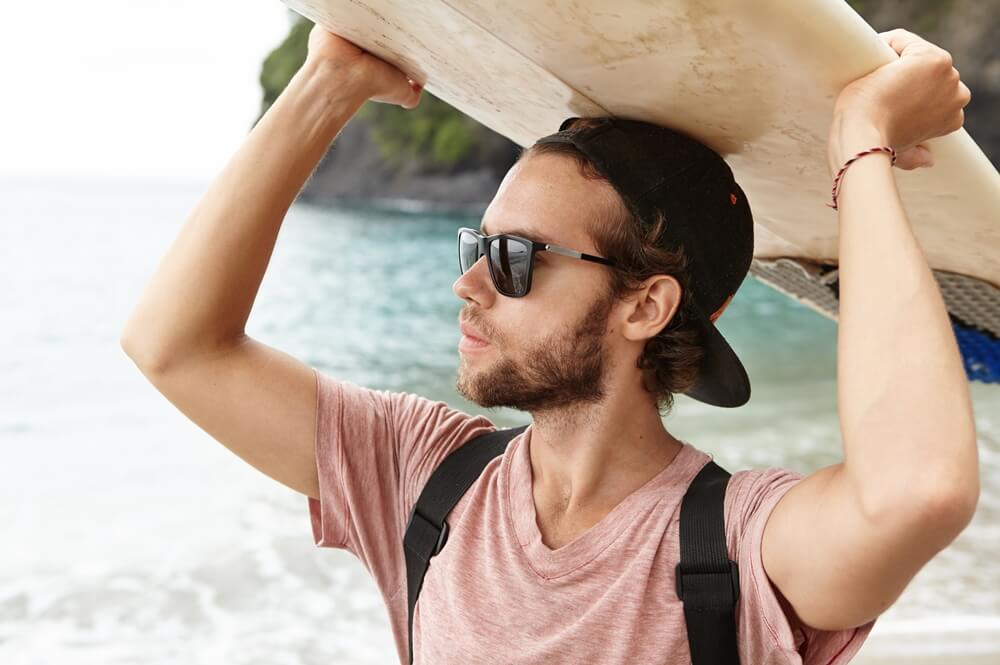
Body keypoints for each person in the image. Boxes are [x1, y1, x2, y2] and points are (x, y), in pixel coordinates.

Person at [121, 21, 979, 665]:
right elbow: (175, 344)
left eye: (516, 257)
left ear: (645, 305)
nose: (469, 283)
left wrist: (859, 147)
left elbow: (917, 491)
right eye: (476, 246)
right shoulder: (427, 478)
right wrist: (328, 82)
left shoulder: (735, 545)